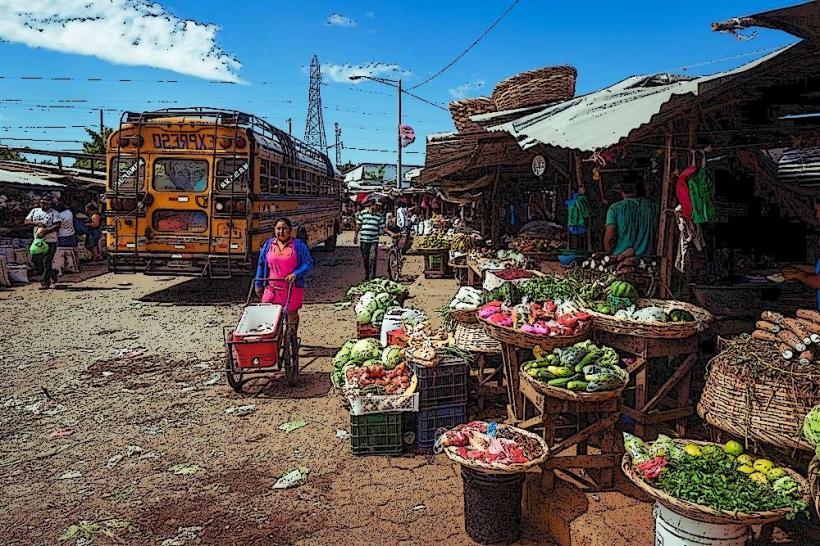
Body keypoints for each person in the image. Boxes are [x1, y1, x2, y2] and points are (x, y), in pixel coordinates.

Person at [254, 217, 314, 330]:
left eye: (284, 228)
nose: (281, 232)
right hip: (272, 288)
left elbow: (308, 263)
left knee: (291, 315)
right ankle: (276, 340)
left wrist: (295, 274)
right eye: (278, 229)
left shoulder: (298, 245)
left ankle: (291, 338)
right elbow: (261, 265)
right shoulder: (268, 245)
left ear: (290, 230)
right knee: (270, 315)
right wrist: (258, 284)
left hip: (292, 287)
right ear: (274, 230)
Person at [604, 172, 659, 257]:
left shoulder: (614, 209)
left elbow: (610, 238)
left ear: (621, 191)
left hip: (620, 259)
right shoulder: (654, 207)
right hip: (647, 259)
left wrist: (608, 254)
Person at [24, 197, 61, 289]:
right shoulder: (35, 211)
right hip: (38, 241)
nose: (43, 205)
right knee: (36, 260)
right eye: (42, 203)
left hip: (50, 240)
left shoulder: (54, 213)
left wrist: (46, 231)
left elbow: (58, 225)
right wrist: (37, 223)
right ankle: (52, 272)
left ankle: (45, 282)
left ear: (50, 204)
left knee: (47, 261)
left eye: (45, 203)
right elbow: (26, 221)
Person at [354, 197, 385, 280]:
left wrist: (391, 233)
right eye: (376, 205)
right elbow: (358, 225)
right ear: (372, 205)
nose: (378, 207)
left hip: (374, 240)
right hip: (364, 240)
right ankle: (367, 274)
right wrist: (355, 236)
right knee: (366, 258)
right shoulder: (363, 214)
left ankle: (372, 276)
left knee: (373, 257)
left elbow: (383, 227)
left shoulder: (379, 216)